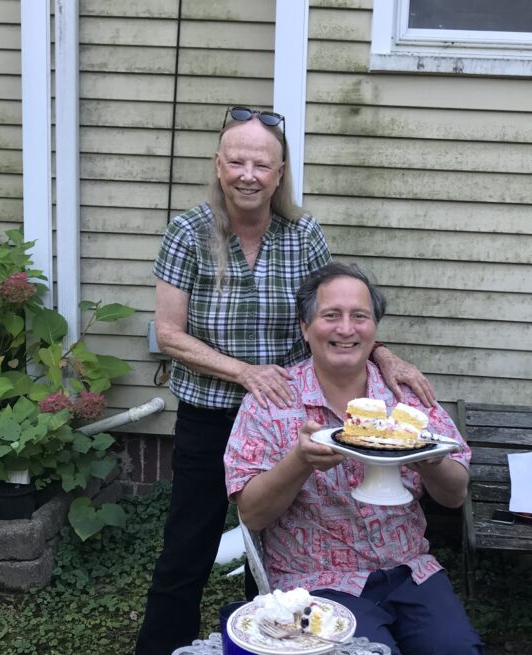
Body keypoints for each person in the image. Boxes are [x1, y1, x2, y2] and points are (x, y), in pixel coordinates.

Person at [135, 108, 437, 655]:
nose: (248, 174)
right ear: (218, 165)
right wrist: (244, 372)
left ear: (280, 174)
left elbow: (334, 311)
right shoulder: (188, 232)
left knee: (273, 548)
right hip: (209, 413)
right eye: (237, 161)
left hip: (282, 417)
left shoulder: (303, 234)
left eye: (262, 164)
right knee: (187, 550)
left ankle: (275, 644)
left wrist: (385, 355)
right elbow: (170, 334)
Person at [224, 262, 484, 655]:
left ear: (374, 329)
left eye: (359, 316)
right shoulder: (270, 402)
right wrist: (299, 461)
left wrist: (428, 458)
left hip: (411, 572)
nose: (346, 329)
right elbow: (252, 516)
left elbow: (454, 495)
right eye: (331, 316)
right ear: (305, 327)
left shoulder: (407, 399)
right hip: (316, 581)